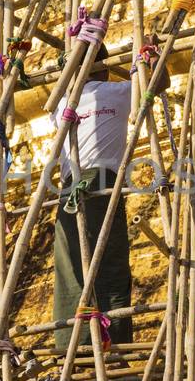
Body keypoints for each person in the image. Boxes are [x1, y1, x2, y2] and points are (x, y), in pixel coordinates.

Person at [51, 45, 134, 353]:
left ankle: (74, 350)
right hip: (103, 182)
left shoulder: (60, 106)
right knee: (110, 266)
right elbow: (159, 82)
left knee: (72, 269)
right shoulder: (119, 91)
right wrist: (141, 59)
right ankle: (115, 346)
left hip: (73, 186)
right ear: (105, 65)